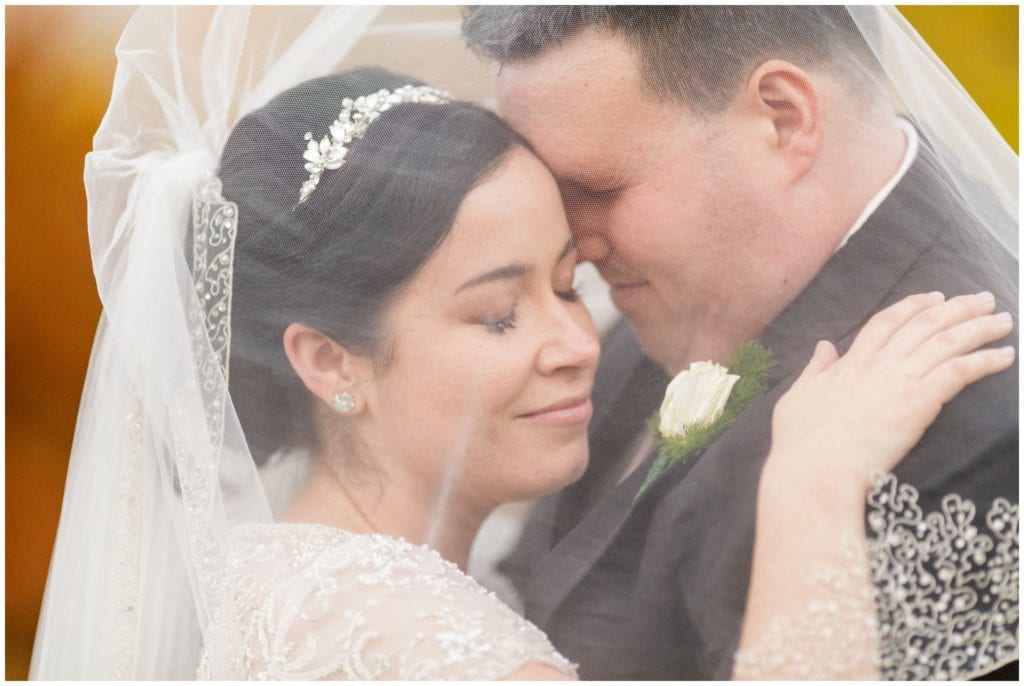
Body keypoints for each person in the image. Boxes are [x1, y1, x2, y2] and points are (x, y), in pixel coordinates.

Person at [29, 7, 1014, 681]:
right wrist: (809, 493)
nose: (577, 325)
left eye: (558, 279)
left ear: (781, 117)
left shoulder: (980, 407)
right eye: (500, 310)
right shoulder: (377, 619)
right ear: (329, 359)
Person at [461, 5, 1019, 680]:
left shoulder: (985, 422)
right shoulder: (678, 300)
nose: (573, 247)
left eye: (601, 188)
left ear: (783, 118)